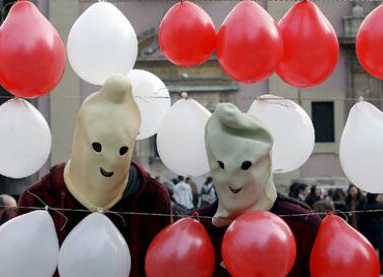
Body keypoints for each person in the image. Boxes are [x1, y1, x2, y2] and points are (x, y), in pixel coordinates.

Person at [16, 75, 172, 276]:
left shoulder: (152, 199)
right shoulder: (40, 198)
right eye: (97, 147)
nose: (110, 161)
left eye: (121, 150)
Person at [198, 103, 321, 276]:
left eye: (245, 165)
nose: (233, 178)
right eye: (222, 166)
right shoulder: (198, 229)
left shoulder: (303, 227)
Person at [362, 193, 383, 273]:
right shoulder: (381, 205)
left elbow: (362, 221)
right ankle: (381, 269)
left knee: (371, 250)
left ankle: (371, 266)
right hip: (381, 229)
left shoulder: (365, 206)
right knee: (382, 250)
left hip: (369, 231)